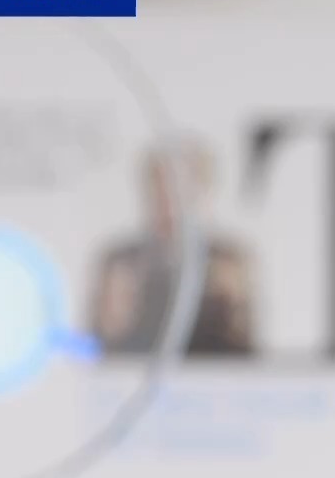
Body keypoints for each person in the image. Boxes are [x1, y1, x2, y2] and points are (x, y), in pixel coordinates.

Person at [90, 136, 257, 358]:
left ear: (204, 194)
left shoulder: (229, 261)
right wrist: (112, 320)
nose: (170, 206)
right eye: (161, 192)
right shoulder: (121, 262)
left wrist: (232, 308)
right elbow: (95, 352)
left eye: (183, 194)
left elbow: (247, 354)